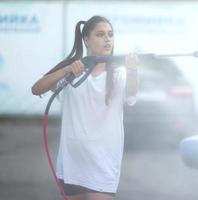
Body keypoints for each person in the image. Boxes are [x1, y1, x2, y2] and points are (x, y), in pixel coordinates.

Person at [31, 15, 139, 200]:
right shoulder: (71, 71)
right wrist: (66, 70)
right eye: (100, 34)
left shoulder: (119, 73)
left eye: (110, 35)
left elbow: (131, 95)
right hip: (73, 161)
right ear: (86, 39)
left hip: (104, 163)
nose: (107, 39)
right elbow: (37, 89)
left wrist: (133, 70)